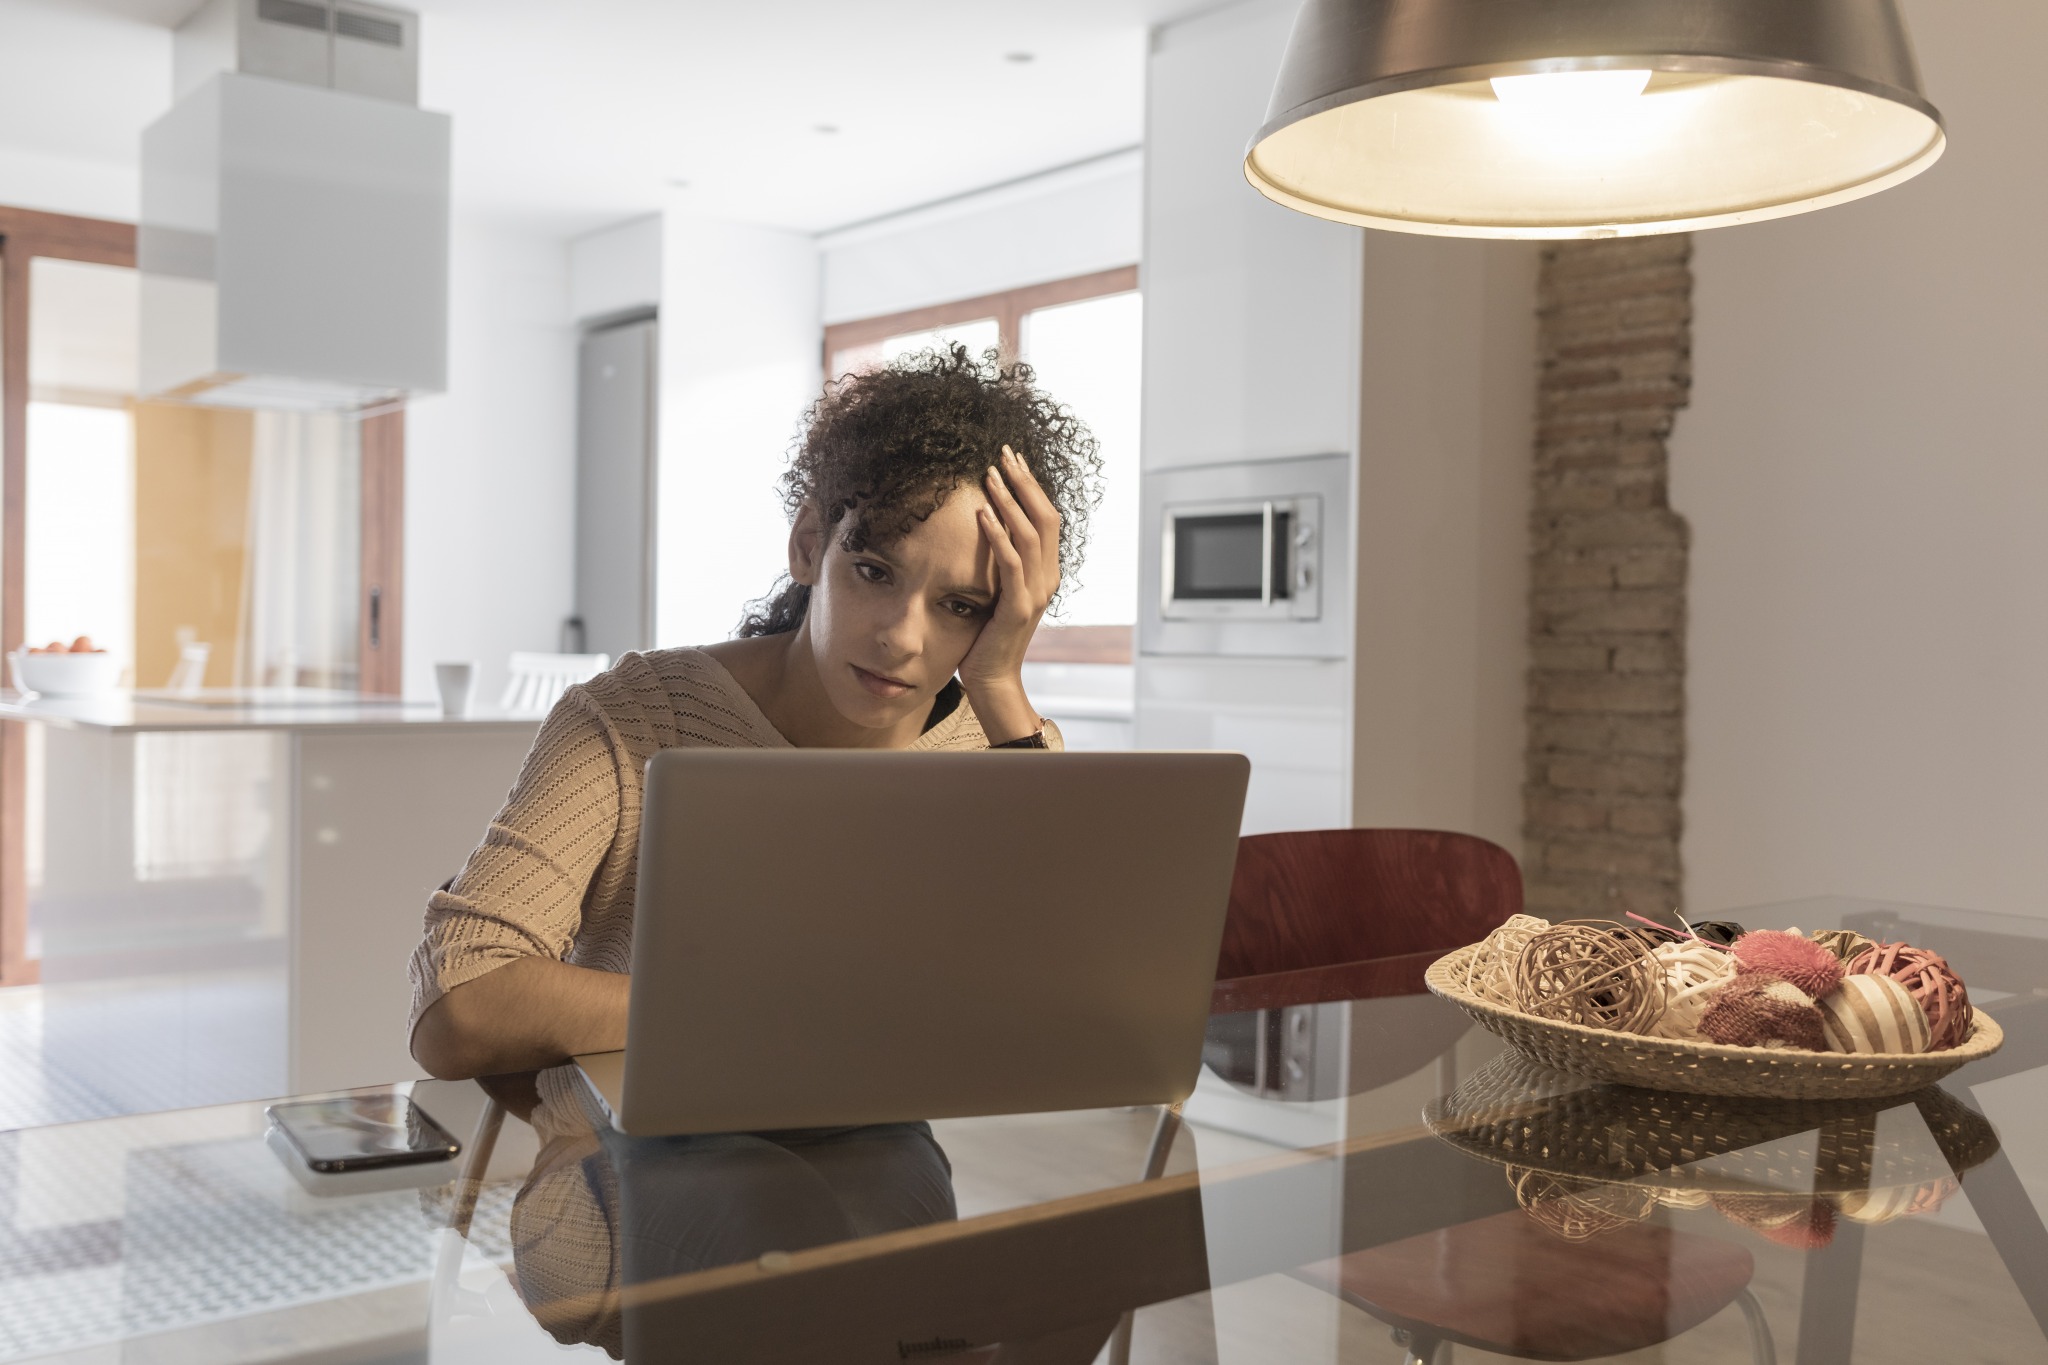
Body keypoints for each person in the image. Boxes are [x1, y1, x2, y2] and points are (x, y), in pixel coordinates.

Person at [408, 346, 1102, 1080]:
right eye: (874, 571)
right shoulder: (635, 718)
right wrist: (789, 1012)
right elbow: (460, 1001)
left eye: (960, 606)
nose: (902, 636)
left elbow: (1085, 1003)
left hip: (904, 1170)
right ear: (810, 545)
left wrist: (997, 683)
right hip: (635, 1167)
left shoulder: (1006, 748)